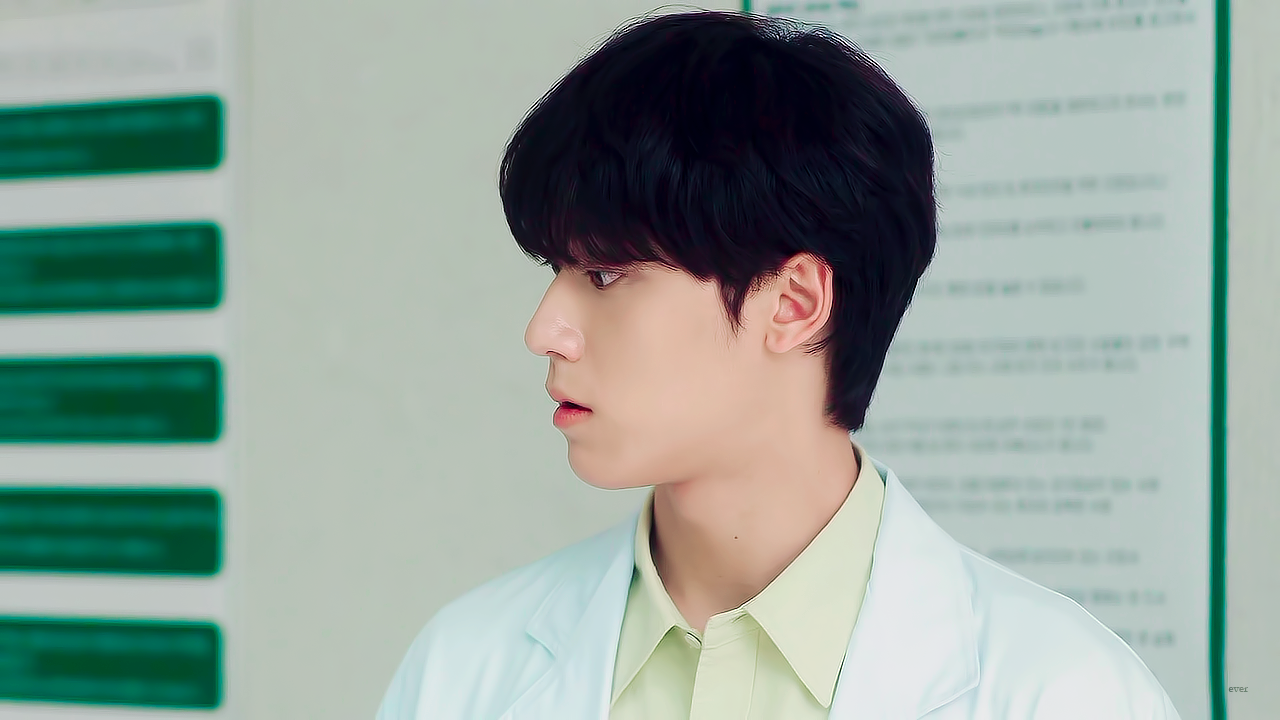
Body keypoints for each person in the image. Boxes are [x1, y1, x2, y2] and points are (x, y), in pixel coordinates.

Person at [376, 9, 1181, 720]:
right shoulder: (463, 671)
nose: (544, 331)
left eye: (606, 275)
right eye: (556, 270)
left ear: (794, 304)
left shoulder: (1065, 694)